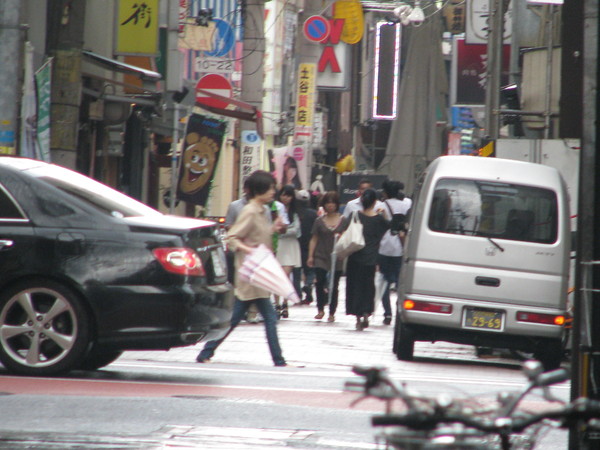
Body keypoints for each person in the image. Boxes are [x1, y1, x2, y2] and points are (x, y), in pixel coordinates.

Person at [196, 170, 287, 366]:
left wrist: (273, 228)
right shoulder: (250, 211)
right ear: (259, 190)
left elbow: (258, 235)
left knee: (253, 317)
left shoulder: (262, 210)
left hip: (258, 272)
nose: (274, 192)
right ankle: (278, 360)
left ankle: (207, 352)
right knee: (247, 317)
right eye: (270, 188)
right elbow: (232, 237)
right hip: (249, 273)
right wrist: (248, 250)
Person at [346, 188, 389, 330]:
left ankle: (358, 317)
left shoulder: (355, 215)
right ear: (375, 201)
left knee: (355, 286)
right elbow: (388, 229)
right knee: (368, 287)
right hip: (371, 258)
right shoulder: (379, 219)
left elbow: (344, 229)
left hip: (355, 256)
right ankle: (366, 313)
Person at [307, 191, 348, 322]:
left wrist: (344, 252)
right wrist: (310, 256)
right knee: (319, 282)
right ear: (324, 205)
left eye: (333, 203)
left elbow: (347, 238)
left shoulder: (343, 220)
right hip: (321, 255)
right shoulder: (319, 221)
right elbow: (314, 239)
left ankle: (332, 311)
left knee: (334, 285)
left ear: (337, 204)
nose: (330, 205)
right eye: (328, 203)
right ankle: (320, 309)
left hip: (337, 257)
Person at [377, 180, 412, 325]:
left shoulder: (380, 205)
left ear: (385, 192)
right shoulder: (407, 203)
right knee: (399, 282)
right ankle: (400, 310)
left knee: (384, 281)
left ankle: (387, 313)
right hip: (400, 247)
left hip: (384, 247)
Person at [275, 184, 302, 318]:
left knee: (285, 276)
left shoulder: (294, 213)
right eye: (284, 195)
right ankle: (276, 303)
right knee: (276, 275)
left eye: (289, 195)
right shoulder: (274, 210)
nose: (286, 198)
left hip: (290, 246)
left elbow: (296, 231)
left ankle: (284, 303)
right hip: (277, 245)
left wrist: (281, 231)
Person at [295, 189, 318, 305]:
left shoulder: (294, 213)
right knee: (310, 270)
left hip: (296, 245)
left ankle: (298, 295)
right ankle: (309, 284)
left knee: (297, 272)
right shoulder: (313, 214)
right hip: (310, 245)